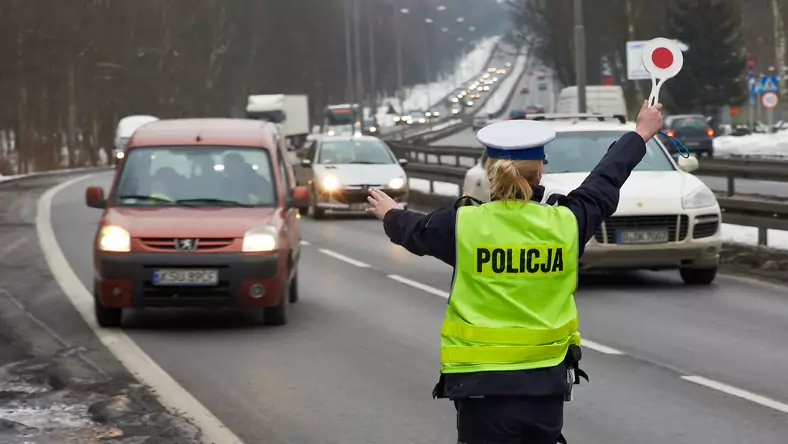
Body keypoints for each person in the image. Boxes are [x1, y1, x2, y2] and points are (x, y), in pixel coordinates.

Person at [365, 100, 664, 444]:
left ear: (489, 171)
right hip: (545, 384)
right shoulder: (566, 224)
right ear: (540, 172)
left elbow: (414, 230)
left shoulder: (463, 224)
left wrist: (390, 213)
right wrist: (640, 133)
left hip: (480, 387)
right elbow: (604, 181)